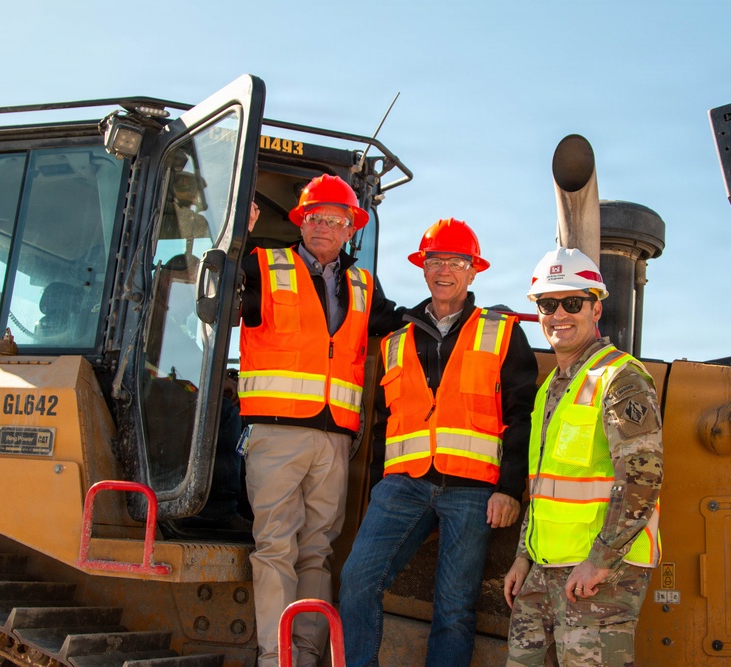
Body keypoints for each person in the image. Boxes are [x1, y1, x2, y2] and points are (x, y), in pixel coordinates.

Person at [339, 219, 538, 667]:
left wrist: (510, 489)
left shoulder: (502, 331)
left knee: (454, 606)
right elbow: (385, 425)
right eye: (435, 261)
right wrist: (377, 489)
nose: (444, 270)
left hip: (472, 490)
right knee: (357, 580)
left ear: (473, 271)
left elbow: (521, 415)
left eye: (456, 262)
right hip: (402, 486)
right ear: (422, 268)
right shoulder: (396, 340)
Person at [237, 174, 406, 667]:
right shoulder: (262, 265)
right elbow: (217, 298)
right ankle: (277, 657)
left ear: (351, 229)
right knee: (275, 546)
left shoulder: (363, 285)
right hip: (277, 432)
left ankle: (307, 655)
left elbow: (398, 324)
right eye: (315, 218)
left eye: (335, 220)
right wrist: (234, 239)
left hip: (334, 439)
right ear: (301, 223)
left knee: (317, 551)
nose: (323, 228)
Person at [503, 247, 663, 667]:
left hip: (599, 575)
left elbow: (643, 478)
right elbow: (543, 487)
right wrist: (524, 555)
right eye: (548, 304)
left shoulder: (620, 378)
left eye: (573, 303)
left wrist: (600, 561)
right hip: (545, 569)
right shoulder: (551, 387)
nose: (559, 314)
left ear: (596, 309)